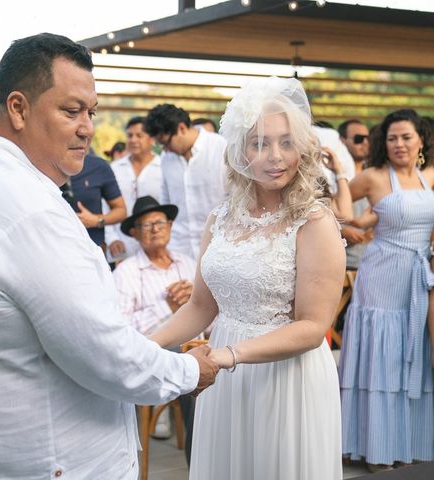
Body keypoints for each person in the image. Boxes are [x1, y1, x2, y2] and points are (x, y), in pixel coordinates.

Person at [0, 33, 219, 479]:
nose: (88, 127)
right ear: (18, 108)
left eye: (90, 112)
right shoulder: (25, 208)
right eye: (71, 111)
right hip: (45, 458)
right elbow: (102, 353)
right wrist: (189, 370)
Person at [151, 77, 345, 479]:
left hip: (286, 378)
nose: (275, 156)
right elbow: (201, 306)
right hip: (222, 376)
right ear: (240, 152)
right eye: (259, 143)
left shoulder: (314, 220)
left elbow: (312, 327)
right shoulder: (219, 219)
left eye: (286, 142)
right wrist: (145, 346)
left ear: (302, 148)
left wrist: (226, 356)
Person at [339, 109, 434, 473]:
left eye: (406, 137)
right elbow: (335, 208)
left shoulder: (430, 176)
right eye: (392, 138)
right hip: (380, 277)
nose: (399, 144)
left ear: (420, 140)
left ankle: (409, 442)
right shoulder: (373, 177)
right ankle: (374, 447)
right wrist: (349, 230)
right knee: (382, 355)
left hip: (418, 276)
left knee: (413, 353)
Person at [114, 196, 197, 439]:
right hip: (157, 354)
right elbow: (121, 329)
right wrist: (168, 308)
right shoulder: (126, 272)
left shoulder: (187, 263)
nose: (155, 229)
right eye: (146, 225)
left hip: (199, 345)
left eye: (160, 222)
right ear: (135, 233)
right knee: (192, 369)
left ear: (170, 226)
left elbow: (212, 314)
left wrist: (196, 304)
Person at [144, 104, 228, 259]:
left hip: (220, 248)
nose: (165, 150)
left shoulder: (221, 148)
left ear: (182, 128)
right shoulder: (166, 159)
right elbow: (166, 202)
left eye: (166, 143)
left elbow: (236, 198)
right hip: (181, 249)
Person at [106, 117, 163, 261]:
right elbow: (104, 206)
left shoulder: (163, 168)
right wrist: (111, 238)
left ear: (152, 139)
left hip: (156, 244)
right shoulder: (114, 168)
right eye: (129, 135)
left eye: (139, 135)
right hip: (120, 245)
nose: (133, 140)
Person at [60, 152, 126, 250]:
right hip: (55, 248)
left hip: (92, 249)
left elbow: (121, 211)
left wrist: (97, 221)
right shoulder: (40, 164)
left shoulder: (98, 166)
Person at [338, 119, 372, 269]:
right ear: (342, 141)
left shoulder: (376, 174)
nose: (365, 143)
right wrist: (341, 230)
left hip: (372, 265)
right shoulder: (331, 176)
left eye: (367, 138)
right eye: (359, 139)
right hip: (340, 265)